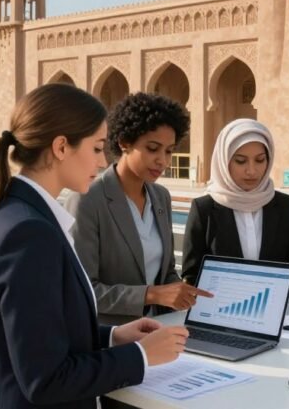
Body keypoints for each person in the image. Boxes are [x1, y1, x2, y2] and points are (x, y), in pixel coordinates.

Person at [0, 83, 188, 408]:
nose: (102, 162)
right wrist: (141, 356)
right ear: (61, 147)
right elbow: (45, 379)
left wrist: (113, 336)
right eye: (97, 148)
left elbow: (39, 337)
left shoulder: (16, 214)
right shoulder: (29, 233)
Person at [70, 92, 211, 324]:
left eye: (169, 151)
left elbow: (166, 272)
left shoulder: (161, 197)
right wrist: (150, 295)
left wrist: (185, 293)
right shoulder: (88, 200)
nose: (163, 161)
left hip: (159, 330)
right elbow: (81, 290)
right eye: (153, 148)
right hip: (109, 336)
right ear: (124, 142)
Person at [181, 118, 289, 304]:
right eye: (241, 161)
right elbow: (192, 274)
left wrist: (285, 311)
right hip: (220, 313)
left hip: (278, 314)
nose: (252, 171)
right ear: (224, 161)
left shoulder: (285, 206)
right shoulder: (204, 209)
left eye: (260, 160)